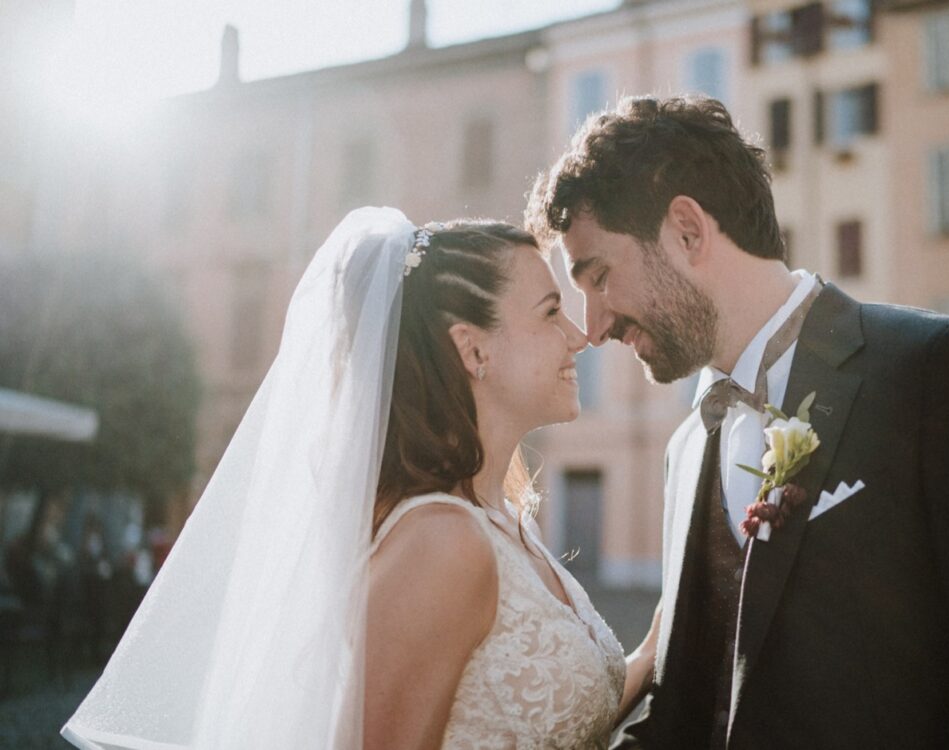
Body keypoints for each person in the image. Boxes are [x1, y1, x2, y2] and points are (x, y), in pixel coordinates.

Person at [526, 95, 949, 748]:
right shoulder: (687, 448)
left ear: (688, 230)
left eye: (599, 275)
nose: (596, 326)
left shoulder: (938, 374)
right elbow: (689, 713)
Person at [61, 208, 656, 749]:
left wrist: (660, 640)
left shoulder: (501, 518)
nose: (579, 337)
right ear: (472, 350)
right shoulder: (440, 543)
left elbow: (564, 712)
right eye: (551, 313)